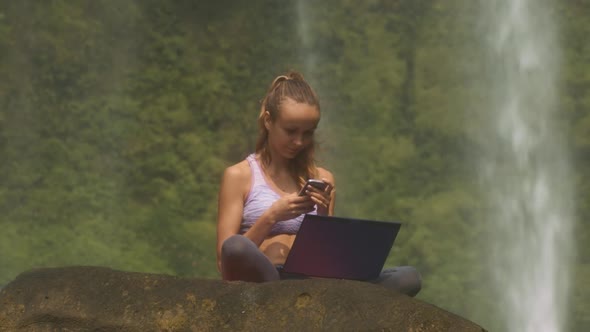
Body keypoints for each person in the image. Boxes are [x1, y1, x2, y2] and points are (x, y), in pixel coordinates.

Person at [216, 71, 422, 297]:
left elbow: (326, 257)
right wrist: (272, 216)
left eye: (307, 133)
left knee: (408, 277)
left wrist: (323, 214)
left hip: (313, 282)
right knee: (235, 246)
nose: (299, 142)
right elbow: (225, 258)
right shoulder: (239, 175)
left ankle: (326, 300)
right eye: (291, 131)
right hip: (266, 277)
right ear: (268, 120)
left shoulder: (322, 178)